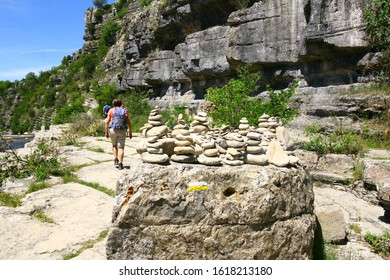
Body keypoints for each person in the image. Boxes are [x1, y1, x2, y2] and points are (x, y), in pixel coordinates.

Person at [105, 99, 132, 170]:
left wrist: (106, 132)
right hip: (122, 130)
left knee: (114, 145)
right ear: (121, 104)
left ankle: (115, 159)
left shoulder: (111, 110)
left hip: (112, 130)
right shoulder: (124, 110)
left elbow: (107, 122)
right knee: (121, 148)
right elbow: (128, 122)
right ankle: (120, 163)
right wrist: (130, 133)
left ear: (113, 104)